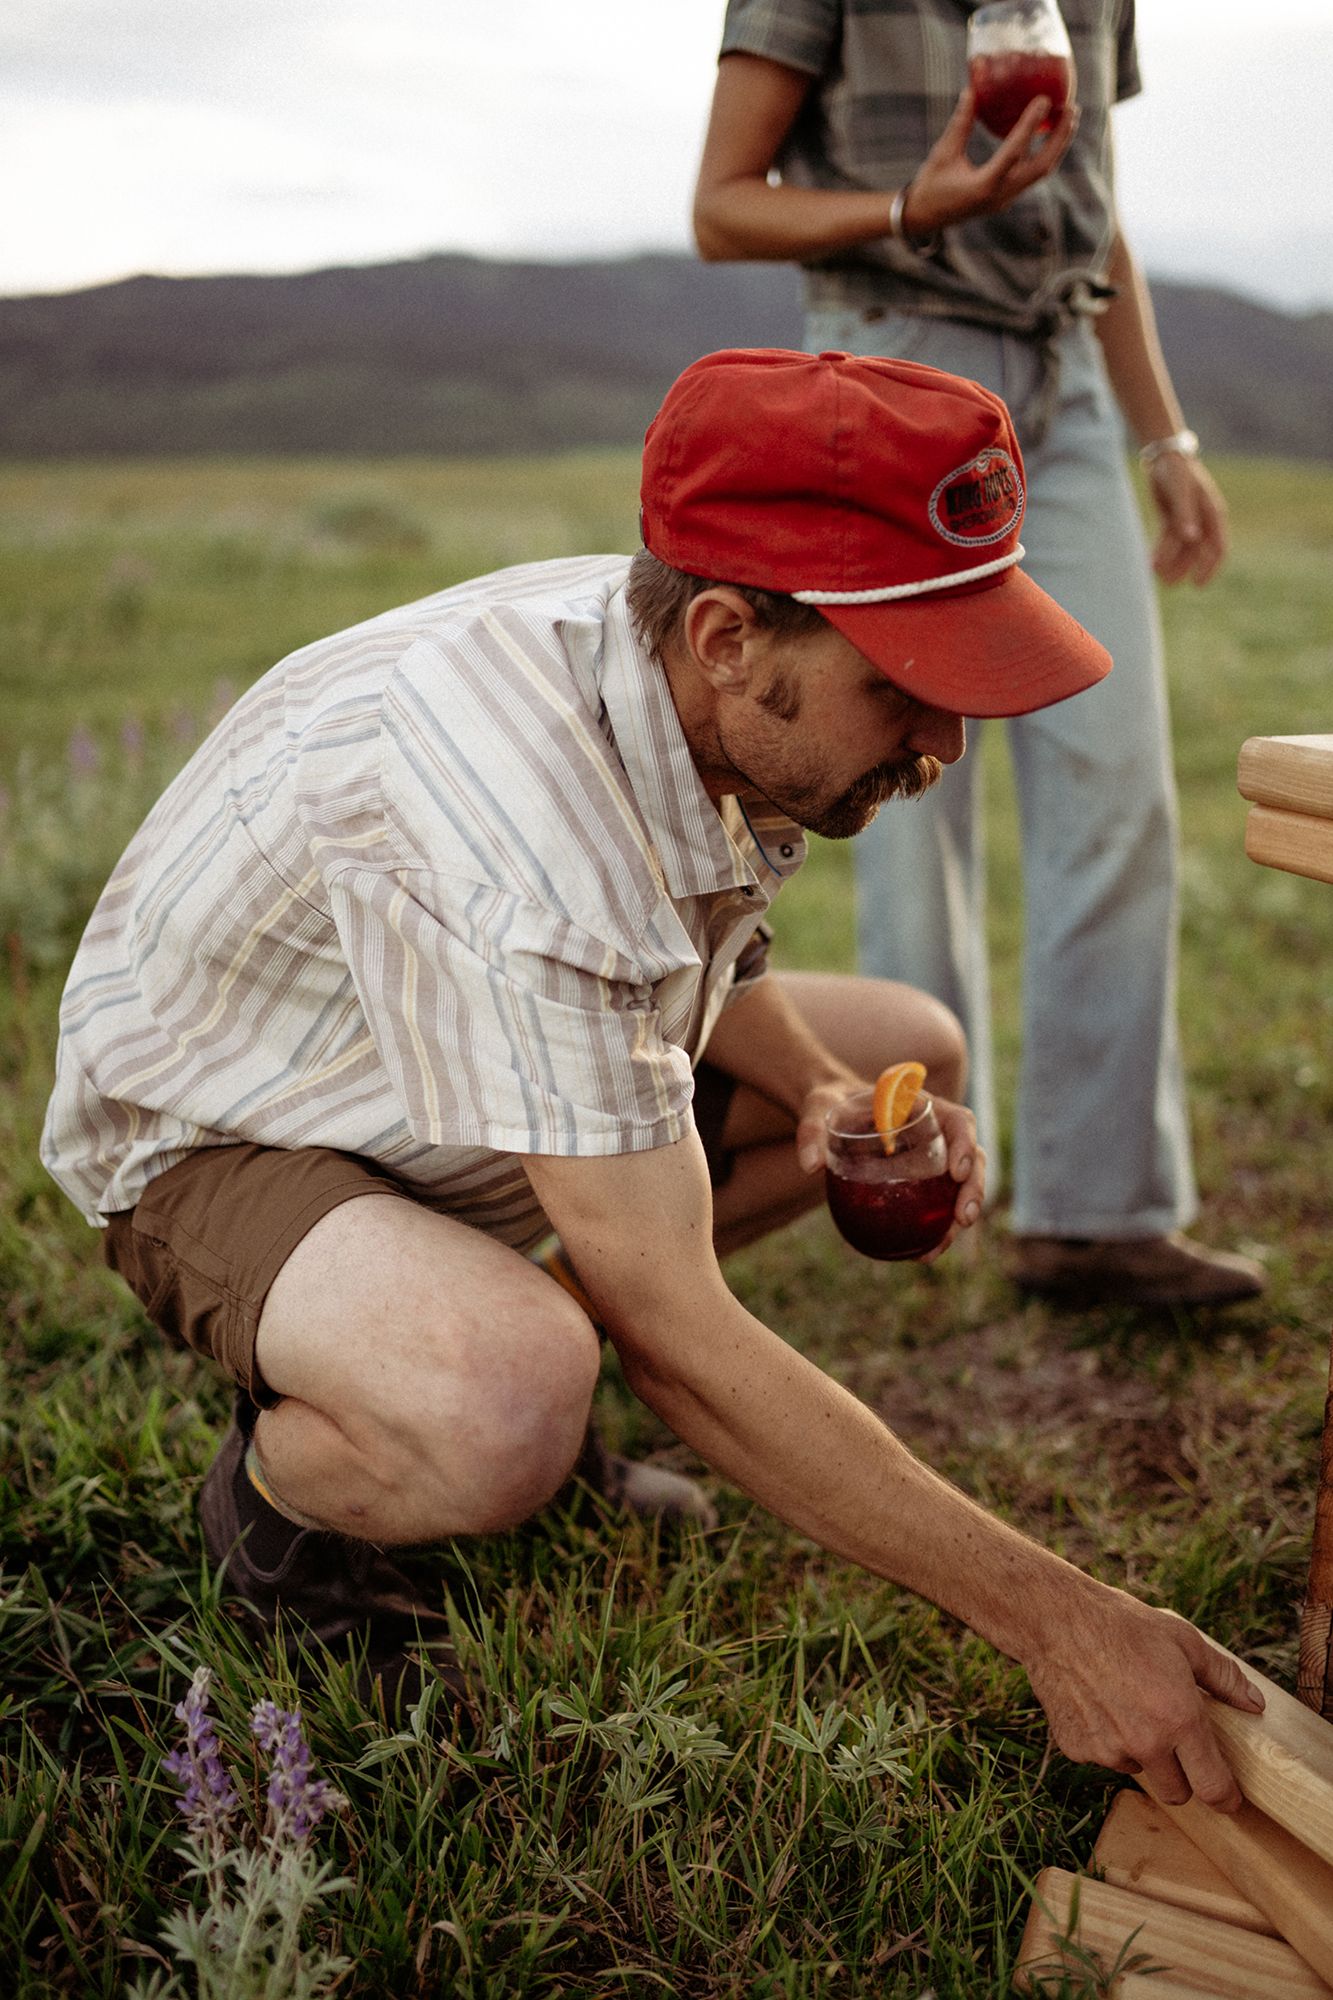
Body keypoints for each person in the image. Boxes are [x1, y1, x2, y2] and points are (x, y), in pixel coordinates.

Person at [42, 348, 1260, 1805]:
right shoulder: (521, 823)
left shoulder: (670, 660)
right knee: (509, 1391)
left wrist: (821, 1090)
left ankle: (510, 1356)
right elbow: (678, 1330)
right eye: (903, 688)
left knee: (902, 1049)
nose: (947, 742)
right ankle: (290, 1510)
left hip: (429, 1071)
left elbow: (686, 948)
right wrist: (1067, 1627)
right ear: (731, 637)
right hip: (227, 1133)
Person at [693, 0, 1265, 1308]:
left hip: (1068, 375)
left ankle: (1096, 1216)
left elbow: (1092, 206)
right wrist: (913, 206)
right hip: (891, 354)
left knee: (1119, 791)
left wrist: (1163, 437)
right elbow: (722, 207)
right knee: (899, 787)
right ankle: (911, 1163)